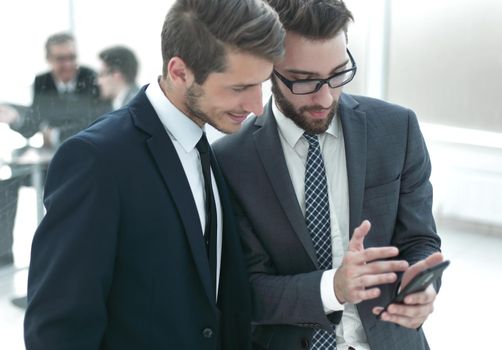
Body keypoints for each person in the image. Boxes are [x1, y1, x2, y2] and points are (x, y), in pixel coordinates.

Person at [24, 0, 285, 349]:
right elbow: (57, 329)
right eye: (239, 88)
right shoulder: (97, 159)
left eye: (261, 85)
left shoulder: (210, 145)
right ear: (179, 72)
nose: (256, 106)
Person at [212, 0, 443, 349]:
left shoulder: (398, 129)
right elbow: (244, 292)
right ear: (267, 68)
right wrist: (332, 288)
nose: (325, 96)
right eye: (304, 81)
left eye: (338, 73)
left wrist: (421, 288)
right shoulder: (231, 160)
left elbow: (420, 241)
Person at [17, 32, 109, 144]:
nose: (68, 64)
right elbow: (35, 121)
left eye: (72, 57)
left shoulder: (91, 78)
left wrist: (55, 135)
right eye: (61, 59)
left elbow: (98, 121)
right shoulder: (42, 82)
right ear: (48, 59)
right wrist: (15, 119)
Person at [97, 46, 140, 110]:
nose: (99, 82)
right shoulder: (133, 102)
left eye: (102, 74)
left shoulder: (134, 107)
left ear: (117, 74)